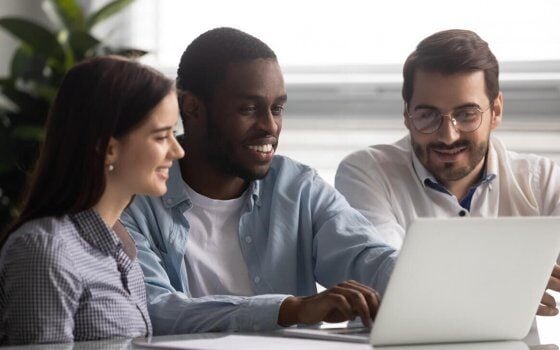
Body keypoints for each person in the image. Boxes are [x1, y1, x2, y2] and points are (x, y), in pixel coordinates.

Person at [120, 27, 397, 335]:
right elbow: (153, 309)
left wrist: (416, 277)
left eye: (277, 108)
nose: (270, 126)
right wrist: (291, 309)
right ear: (192, 108)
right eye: (248, 109)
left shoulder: (298, 187)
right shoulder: (135, 199)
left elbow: (365, 256)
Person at [335, 29, 560, 316]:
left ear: (497, 110)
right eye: (427, 115)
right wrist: (502, 277)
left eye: (467, 114)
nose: (448, 136)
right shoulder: (367, 173)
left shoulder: (541, 180)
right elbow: (388, 272)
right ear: (407, 114)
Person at [0, 56, 185, 345]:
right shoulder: (44, 251)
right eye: (161, 137)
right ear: (108, 148)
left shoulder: (120, 250)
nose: (177, 150)